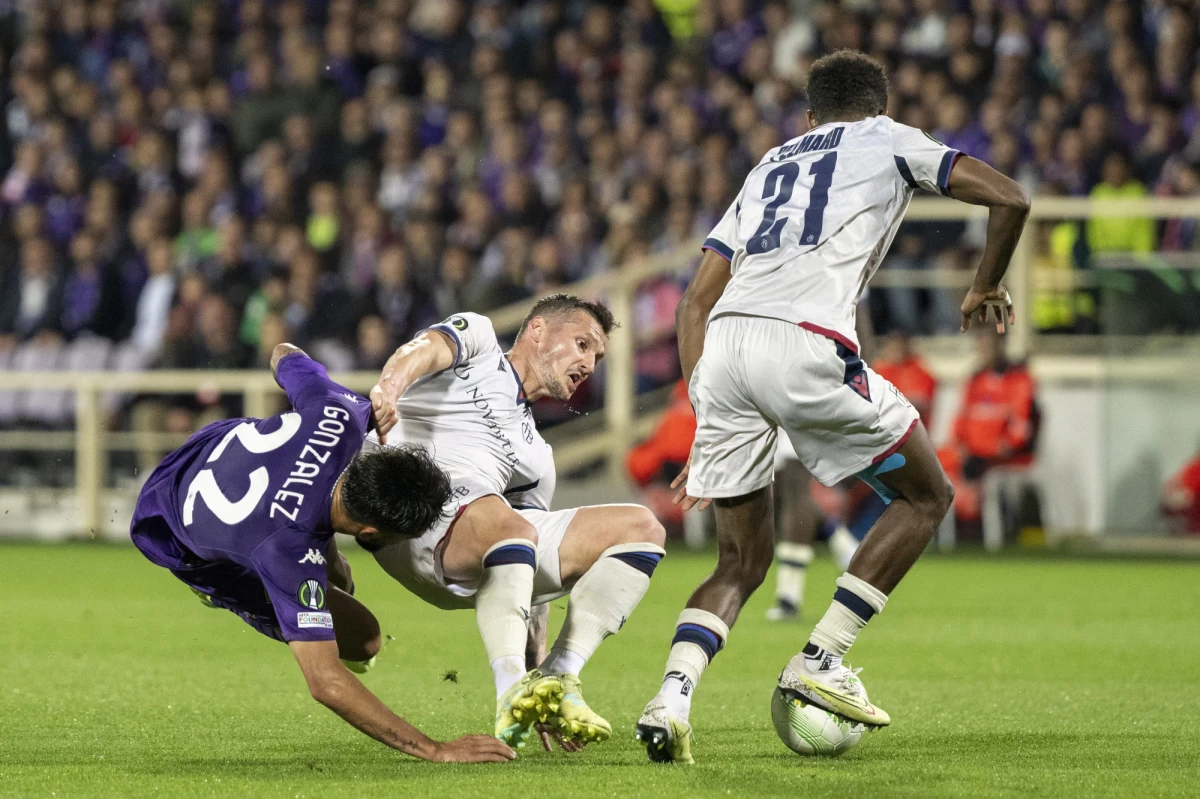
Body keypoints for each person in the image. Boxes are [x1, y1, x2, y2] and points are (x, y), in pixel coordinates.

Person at [636, 51, 1030, 764]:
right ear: (880, 105)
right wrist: (983, 284)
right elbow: (1012, 198)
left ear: (810, 116)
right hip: (806, 340)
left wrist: (704, 417)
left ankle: (670, 698)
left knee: (739, 561)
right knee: (926, 495)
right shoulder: (889, 137)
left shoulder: (769, 163)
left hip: (724, 349)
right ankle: (820, 658)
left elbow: (694, 302)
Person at [129, 343, 514, 764]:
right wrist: (436, 750)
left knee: (340, 580)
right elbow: (326, 682)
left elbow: (283, 352)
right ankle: (223, 590)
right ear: (369, 532)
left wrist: (376, 405)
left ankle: (310, 562)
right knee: (364, 640)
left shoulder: (341, 413)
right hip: (169, 526)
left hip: (213, 447)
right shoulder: (287, 555)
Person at [367, 294, 667, 751]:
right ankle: (509, 688)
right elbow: (422, 351)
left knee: (642, 527)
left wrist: (537, 662)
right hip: (401, 510)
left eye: (597, 357)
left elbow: (528, 565)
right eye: (582, 344)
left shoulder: (537, 459)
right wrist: (388, 390)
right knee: (511, 524)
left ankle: (556, 678)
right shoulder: (480, 341)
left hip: (470, 542)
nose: (589, 364)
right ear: (538, 330)